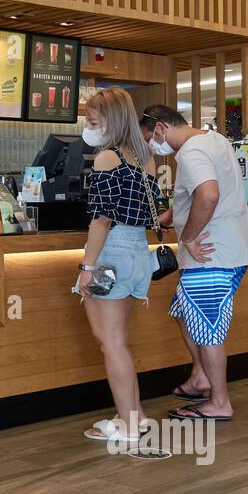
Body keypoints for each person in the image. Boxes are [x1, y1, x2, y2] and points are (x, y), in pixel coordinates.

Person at [140, 105, 248, 422]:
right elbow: (198, 195)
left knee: (207, 329)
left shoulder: (190, 152)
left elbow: (208, 195)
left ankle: (219, 401)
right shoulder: (214, 140)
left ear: (161, 127)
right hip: (232, 250)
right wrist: (170, 217)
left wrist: (187, 236)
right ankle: (201, 377)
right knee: (182, 311)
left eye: (150, 137)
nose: (152, 145)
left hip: (210, 254)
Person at [77, 88, 161, 443]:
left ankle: (127, 425)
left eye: (93, 120)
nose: (88, 126)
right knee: (118, 340)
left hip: (109, 257)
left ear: (109, 120)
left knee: (110, 343)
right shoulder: (147, 159)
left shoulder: (106, 159)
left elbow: (100, 221)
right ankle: (135, 415)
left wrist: (87, 266)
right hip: (137, 253)